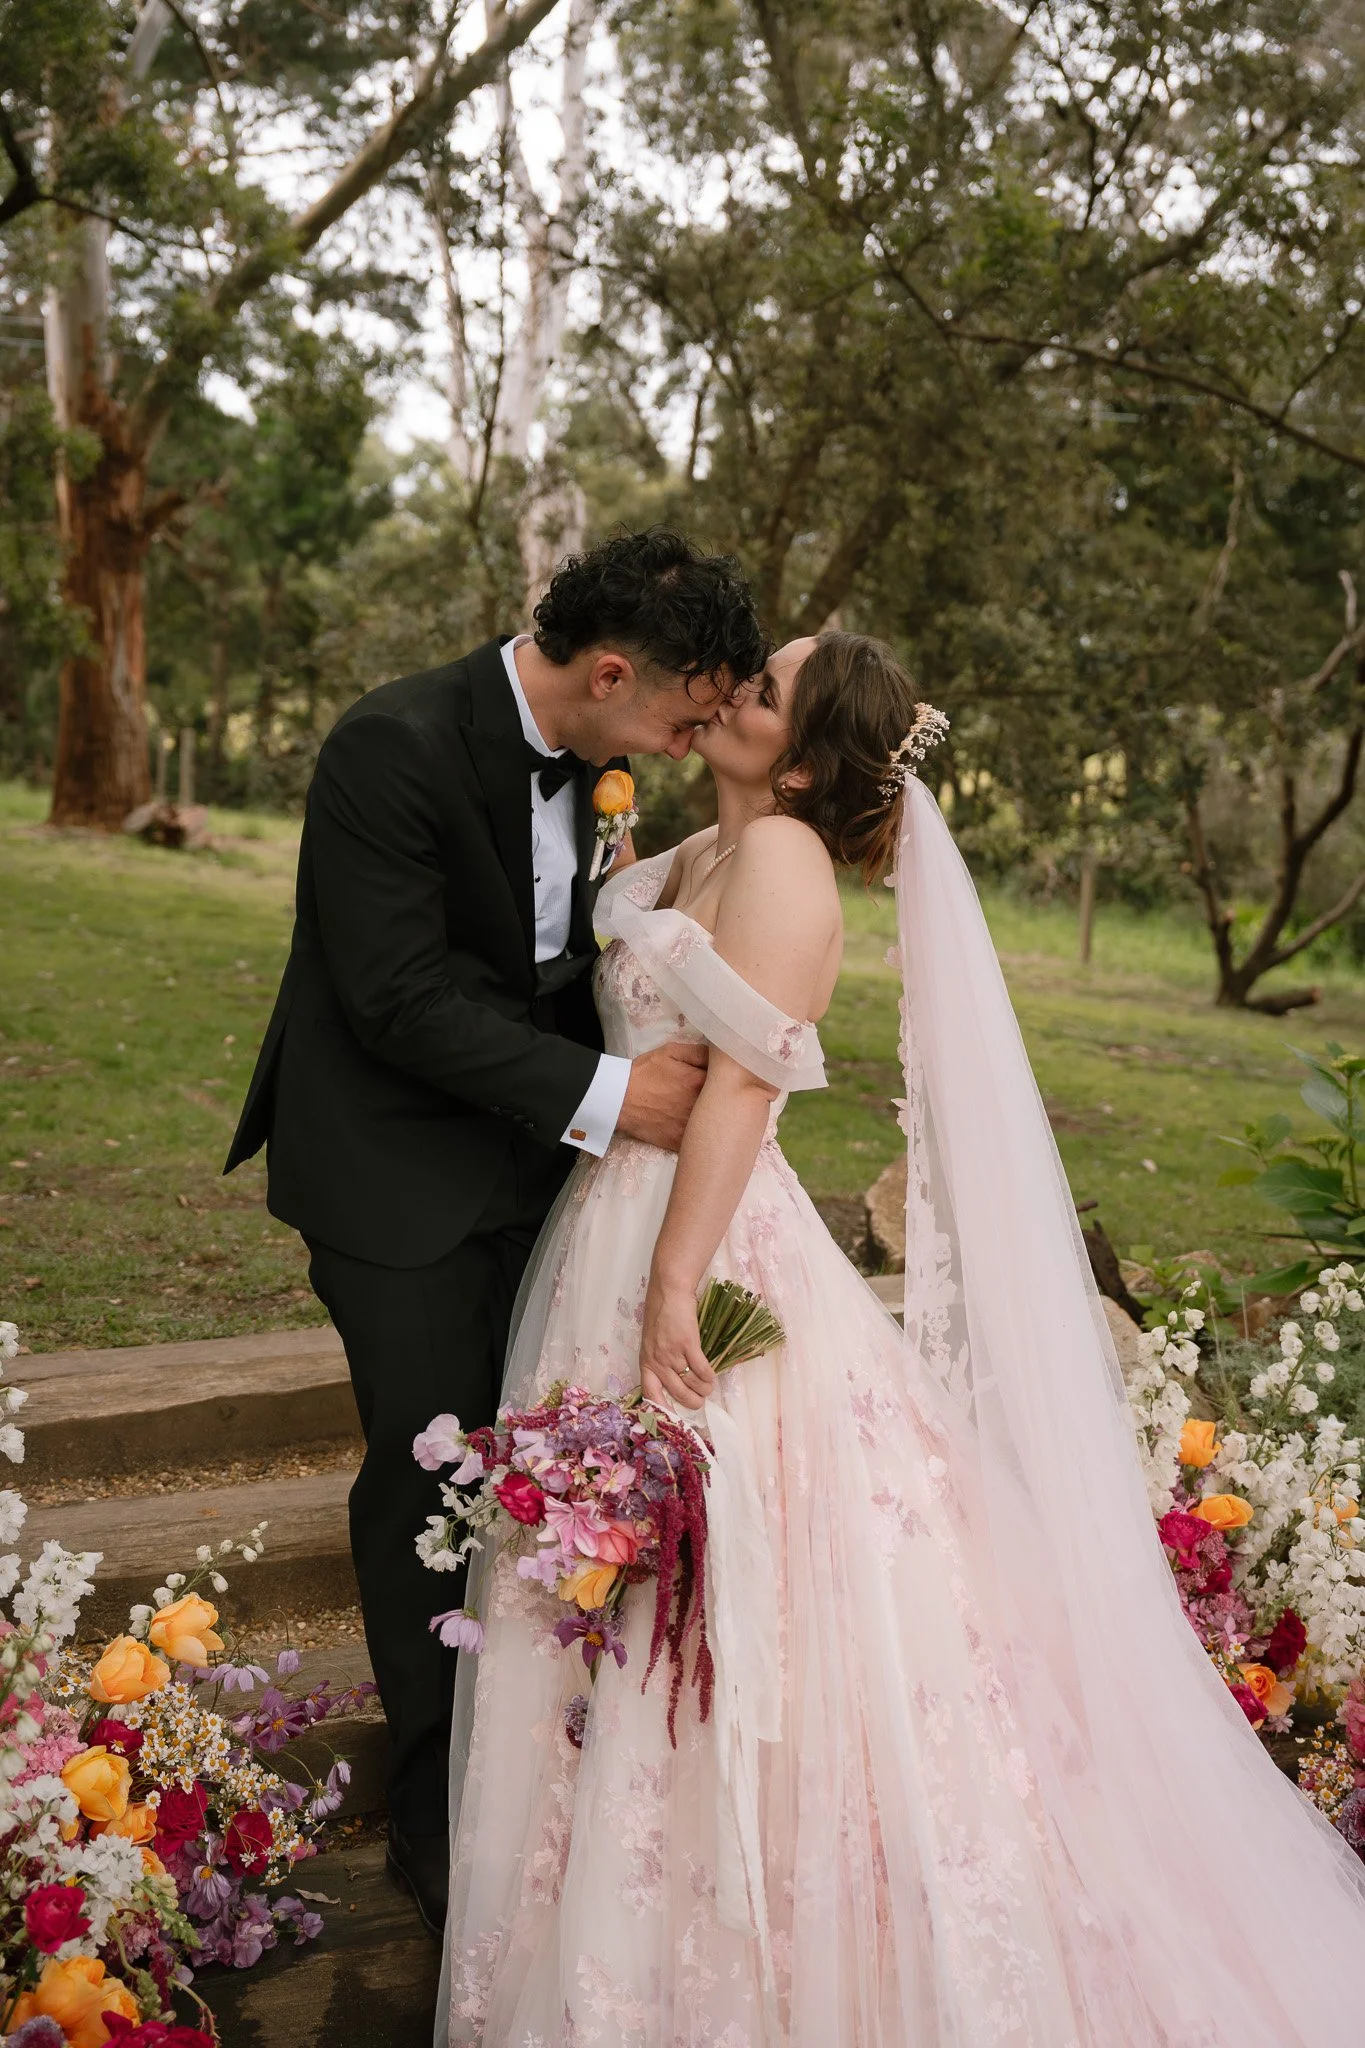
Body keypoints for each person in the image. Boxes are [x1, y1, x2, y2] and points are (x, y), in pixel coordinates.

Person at [437, 631, 1365, 2045]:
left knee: (704, 1588)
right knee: (619, 1579)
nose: (731, 688)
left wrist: (675, 1285)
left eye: (758, 690)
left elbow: (744, 1093)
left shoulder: (789, 866)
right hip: (614, 1221)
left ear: (801, 759)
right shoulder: (707, 851)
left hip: (698, 1240)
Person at [223, 529, 767, 1933]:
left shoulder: (604, 765)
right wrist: (615, 1094)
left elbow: (556, 958)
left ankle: (538, 1754)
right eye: (682, 711)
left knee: (546, 1456)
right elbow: (396, 998)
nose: (694, 734)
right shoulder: (385, 747)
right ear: (605, 673)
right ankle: (431, 1804)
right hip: (389, 1173)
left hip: (539, 1169)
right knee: (433, 1467)